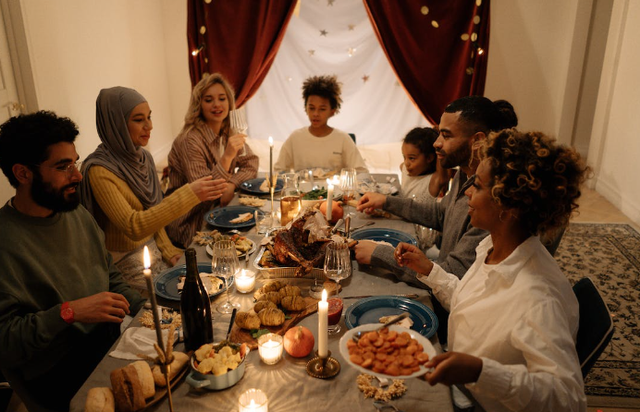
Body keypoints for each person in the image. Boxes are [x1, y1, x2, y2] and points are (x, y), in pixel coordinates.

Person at [394, 129, 588, 411]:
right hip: (461, 380)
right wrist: (430, 270)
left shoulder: (538, 297)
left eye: (479, 186)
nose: (467, 191)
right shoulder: (492, 248)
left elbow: (568, 399)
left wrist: (480, 372)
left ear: (509, 206)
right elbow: (474, 304)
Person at [0, 111, 146, 412]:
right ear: (23, 173)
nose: (77, 175)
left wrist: (148, 313)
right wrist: (69, 312)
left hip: (108, 342)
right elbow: (6, 343)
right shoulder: (5, 242)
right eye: (63, 166)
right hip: (58, 372)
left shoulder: (74, 213)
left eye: (74, 162)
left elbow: (108, 275)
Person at [80, 87, 226, 293]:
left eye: (149, 117)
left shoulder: (142, 158)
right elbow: (135, 226)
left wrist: (168, 251)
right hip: (123, 263)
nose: (149, 126)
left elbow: (154, 211)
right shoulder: (99, 170)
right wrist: (189, 194)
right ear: (116, 124)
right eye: (139, 120)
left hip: (154, 251)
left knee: (213, 281)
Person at [355, 96, 517, 282]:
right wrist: (386, 201)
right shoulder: (464, 173)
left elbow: (452, 274)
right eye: (439, 134)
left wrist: (380, 254)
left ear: (477, 140)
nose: (436, 143)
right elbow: (440, 214)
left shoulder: (490, 199)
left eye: (446, 136)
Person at [167, 73, 259, 248]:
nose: (217, 104)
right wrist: (227, 156)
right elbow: (205, 193)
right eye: (209, 100)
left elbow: (251, 162)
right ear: (199, 105)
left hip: (219, 213)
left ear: (229, 102)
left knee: (258, 233)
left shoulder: (227, 131)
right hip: (191, 224)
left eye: (222, 99)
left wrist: (232, 184)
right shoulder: (189, 140)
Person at [275, 75, 368, 173]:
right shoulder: (295, 138)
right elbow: (279, 170)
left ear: (332, 111)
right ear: (306, 108)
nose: (315, 114)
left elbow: (361, 171)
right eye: (311, 108)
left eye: (322, 109)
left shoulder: (343, 139)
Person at [399, 127, 438, 199]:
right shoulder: (404, 168)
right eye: (404, 157)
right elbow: (402, 166)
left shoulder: (433, 181)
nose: (406, 163)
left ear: (429, 158)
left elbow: (445, 175)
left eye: (411, 158)